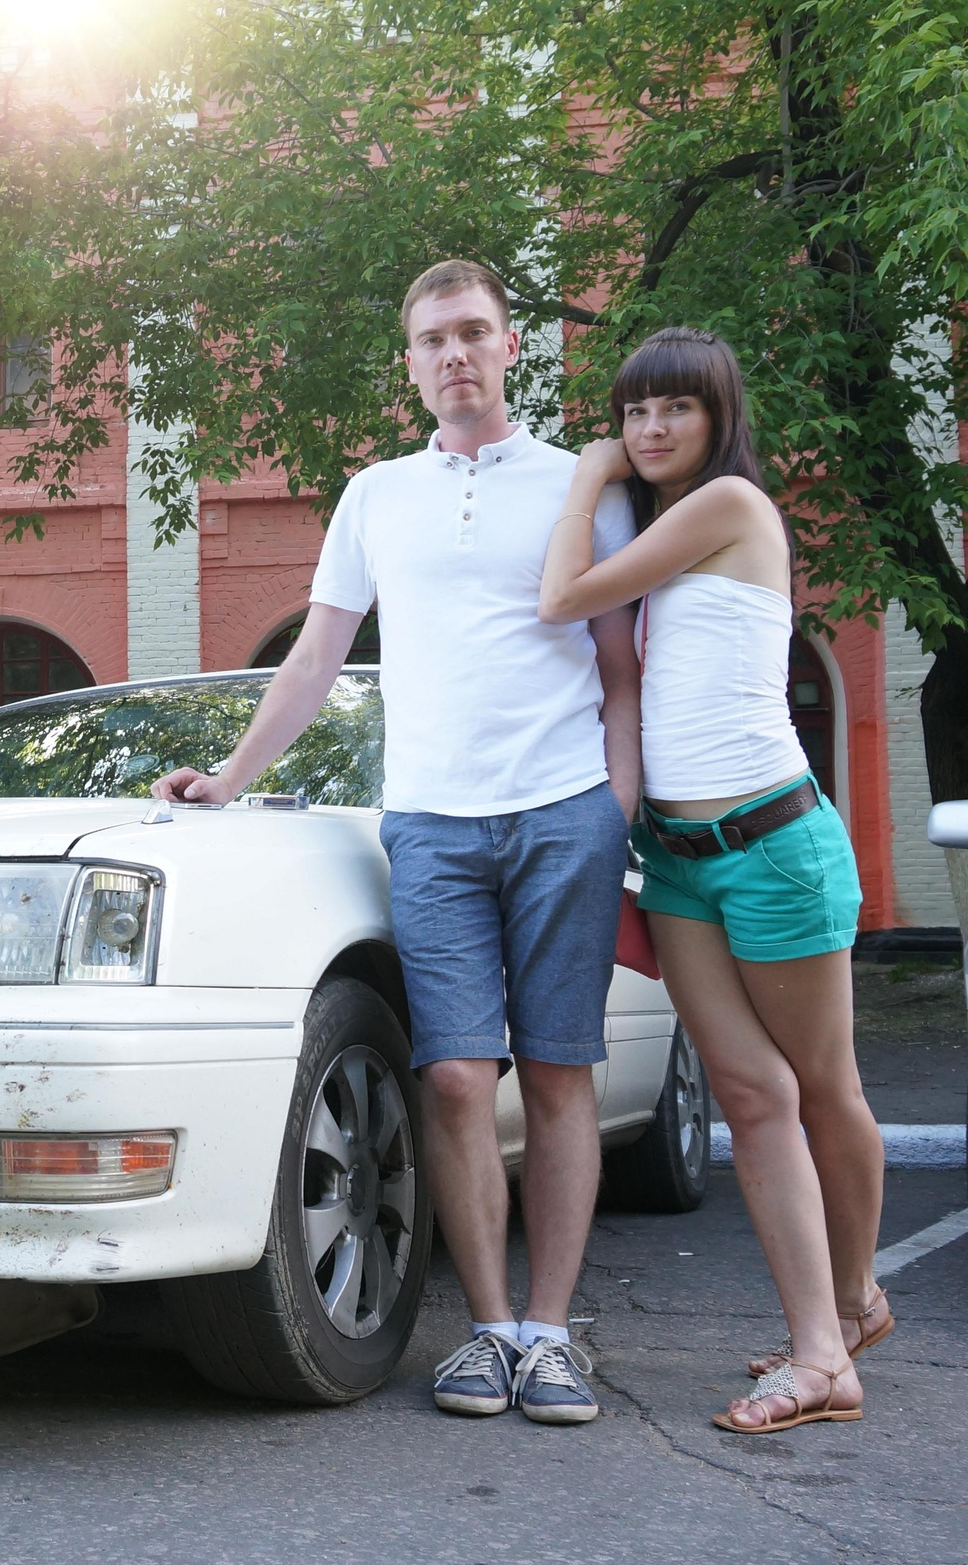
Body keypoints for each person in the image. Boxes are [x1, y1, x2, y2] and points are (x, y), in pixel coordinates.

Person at [152, 260, 640, 1425]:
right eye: (432, 339)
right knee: (459, 1078)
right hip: (430, 823)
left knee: (562, 1075)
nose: (454, 354)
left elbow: (624, 667)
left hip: (563, 809)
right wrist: (229, 776)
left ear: (512, 347)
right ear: (410, 362)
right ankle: (485, 1330)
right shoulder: (375, 494)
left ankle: (551, 1335)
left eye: (474, 332)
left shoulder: (582, 485)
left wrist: (616, 808)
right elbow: (316, 659)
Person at [537, 326, 888, 1434]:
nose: (646, 430)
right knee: (748, 1096)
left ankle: (840, 1318)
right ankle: (831, 1335)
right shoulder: (671, 531)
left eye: (672, 409)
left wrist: (586, 470)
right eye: (631, 413)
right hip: (683, 868)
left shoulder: (729, 508)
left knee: (821, 1089)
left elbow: (561, 595)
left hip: (775, 845)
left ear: (716, 417)